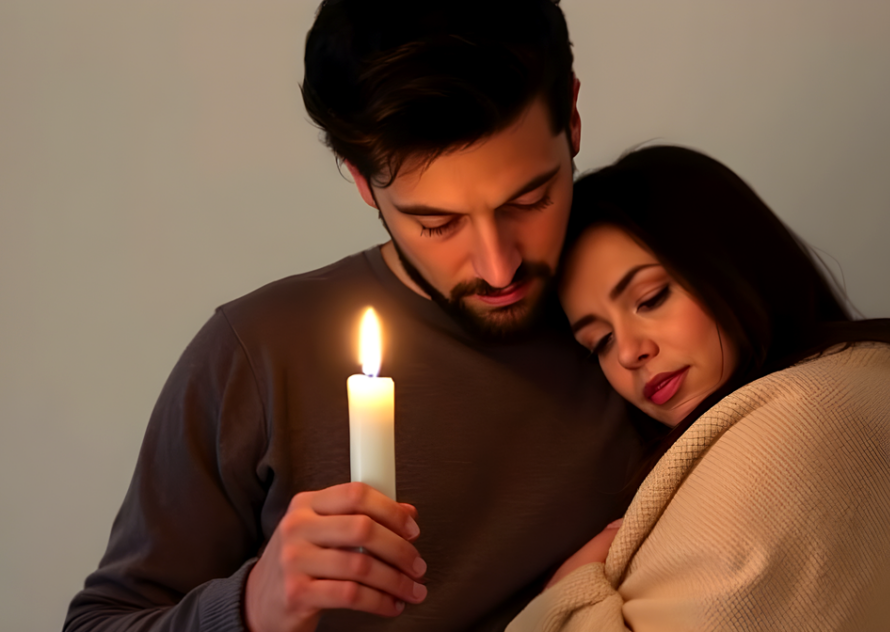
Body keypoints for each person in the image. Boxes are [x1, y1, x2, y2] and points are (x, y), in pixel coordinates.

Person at [63, 2, 659, 631]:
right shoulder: (258, 356)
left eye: (530, 198)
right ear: (360, 181)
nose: (498, 267)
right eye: (437, 223)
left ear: (571, 113)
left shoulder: (656, 314)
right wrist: (252, 607)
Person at [507, 146, 890, 631]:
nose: (628, 352)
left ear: (732, 265)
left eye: (651, 298)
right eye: (600, 341)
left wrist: (565, 601)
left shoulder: (827, 419)